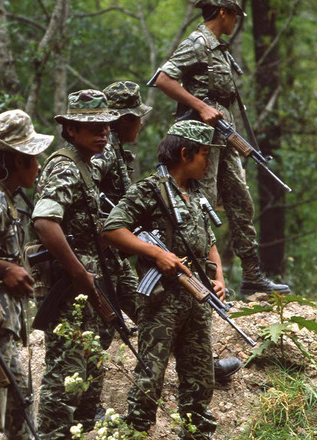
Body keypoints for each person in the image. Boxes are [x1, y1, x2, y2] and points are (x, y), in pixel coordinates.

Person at [102, 120, 246, 440]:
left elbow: (208, 240)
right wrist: (157, 254)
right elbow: (112, 228)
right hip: (162, 301)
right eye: (204, 156)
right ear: (185, 153)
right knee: (149, 378)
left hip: (198, 299)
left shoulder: (195, 193)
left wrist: (218, 276)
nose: (208, 163)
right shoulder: (149, 190)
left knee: (199, 379)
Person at [0, 109, 88, 440]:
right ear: (13, 162)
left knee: (20, 408)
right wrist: (4, 267)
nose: (38, 166)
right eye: (33, 159)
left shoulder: (0, 199)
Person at [94, 80, 242, 382]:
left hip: (123, 245)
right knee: (108, 321)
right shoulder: (104, 154)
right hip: (103, 247)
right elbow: (96, 205)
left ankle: (202, 364)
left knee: (145, 308)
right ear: (122, 120)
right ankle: (91, 399)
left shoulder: (119, 153)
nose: (140, 122)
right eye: (136, 116)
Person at [31, 89, 137, 440]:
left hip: (89, 282)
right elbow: (45, 222)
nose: (103, 134)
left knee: (88, 370)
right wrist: (77, 271)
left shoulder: (88, 165)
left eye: (106, 127)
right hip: (70, 285)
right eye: (92, 127)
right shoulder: (65, 167)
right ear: (71, 130)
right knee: (65, 372)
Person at [154, 0, 290, 296]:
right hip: (200, 140)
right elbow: (163, 79)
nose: (237, 23)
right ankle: (203, 278)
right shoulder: (198, 42)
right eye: (236, 16)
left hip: (224, 136)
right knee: (202, 205)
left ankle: (253, 275)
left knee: (241, 200)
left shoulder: (219, 47)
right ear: (224, 13)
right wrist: (201, 106)